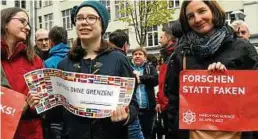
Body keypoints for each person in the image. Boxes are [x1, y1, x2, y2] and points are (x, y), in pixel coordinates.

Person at [27, 1, 138, 139]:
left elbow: (133, 104)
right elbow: (56, 115)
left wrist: (126, 116)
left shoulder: (118, 60)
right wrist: (38, 105)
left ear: (102, 24)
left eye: (91, 18)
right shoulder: (64, 64)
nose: (84, 22)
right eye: (79, 18)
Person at [165, 1, 258, 139]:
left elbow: (254, 96)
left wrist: (228, 81)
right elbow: (173, 98)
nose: (197, 19)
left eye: (202, 11)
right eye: (191, 16)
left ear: (214, 11)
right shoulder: (182, 54)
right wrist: (177, 128)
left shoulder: (242, 48)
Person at [1, 7, 44, 139]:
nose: (28, 28)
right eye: (22, 21)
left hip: (29, 132)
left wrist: (34, 105)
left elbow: (45, 100)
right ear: (5, 23)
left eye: (28, 24)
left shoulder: (34, 60)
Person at [109, 29, 144, 139]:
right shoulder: (121, 58)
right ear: (125, 45)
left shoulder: (105, 58)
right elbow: (128, 89)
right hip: (124, 112)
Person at [42, 26, 70, 139]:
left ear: (51, 42)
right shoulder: (76, 58)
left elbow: (46, 89)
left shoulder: (48, 62)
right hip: (74, 114)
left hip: (55, 114)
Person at [131, 47, 158, 139]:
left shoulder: (150, 67)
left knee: (148, 134)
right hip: (133, 110)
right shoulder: (128, 68)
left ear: (145, 57)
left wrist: (140, 78)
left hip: (148, 109)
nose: (137, 56)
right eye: (135, 54)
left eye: (140, 54)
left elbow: (155, 79)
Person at [155, 25, 178, 139]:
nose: (159, 40)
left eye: (161, 37)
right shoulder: (167, 56)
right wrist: (159, 100)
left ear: (169, 38)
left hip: (171, 105)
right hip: (165, 104)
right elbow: (161, 82)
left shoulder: (175, 55)